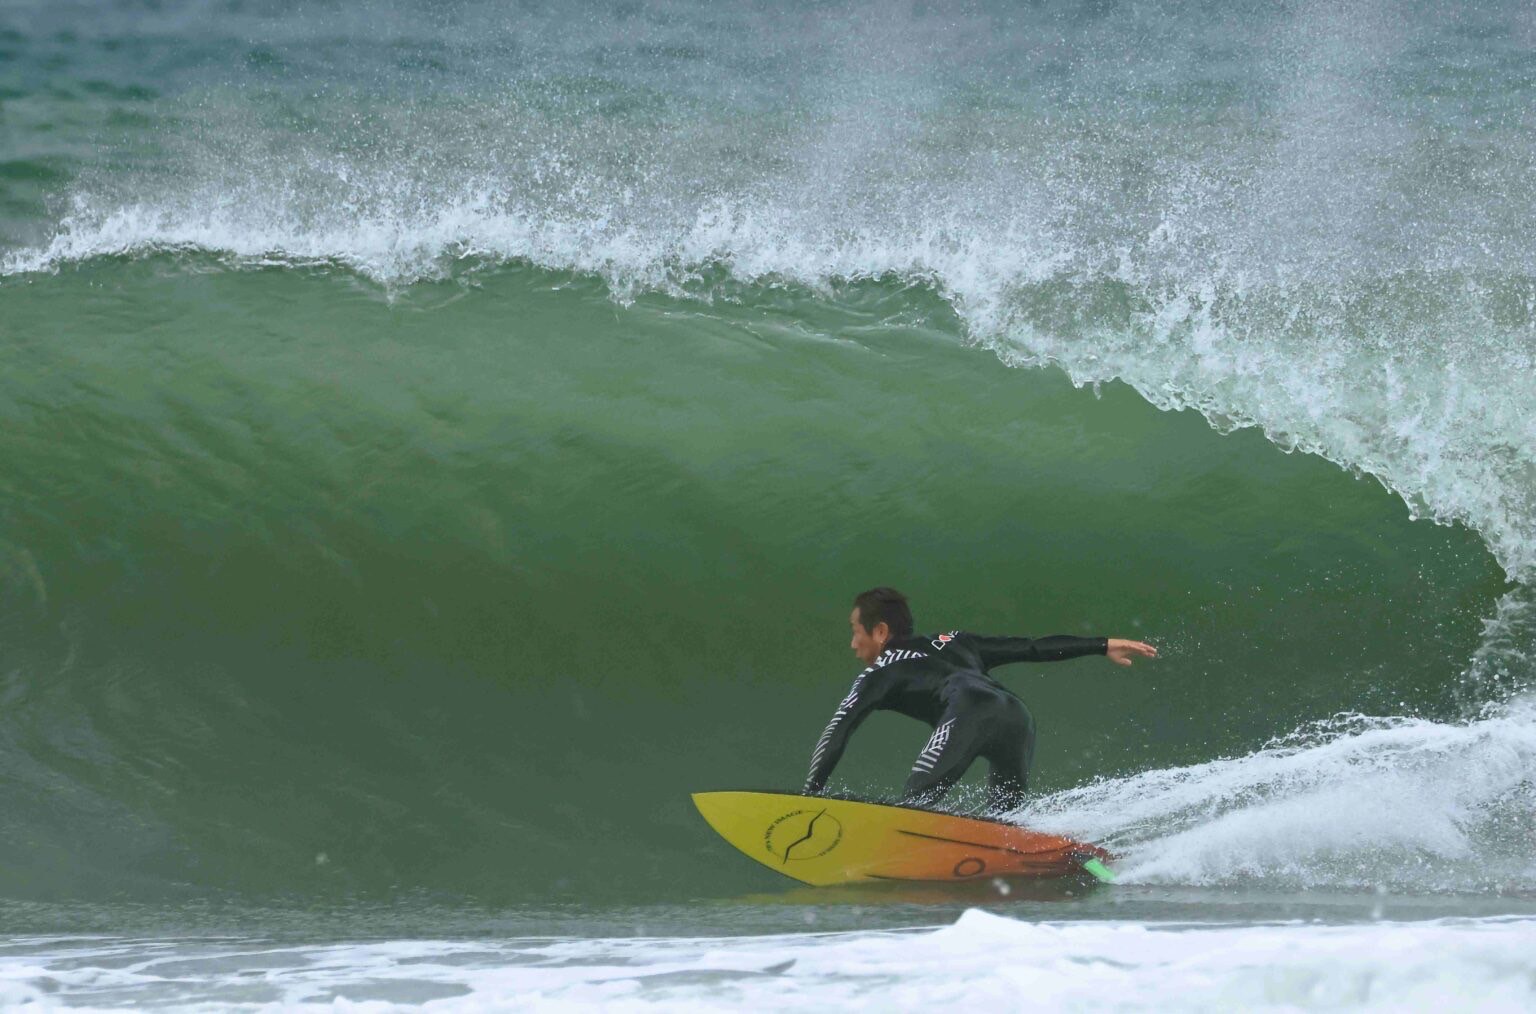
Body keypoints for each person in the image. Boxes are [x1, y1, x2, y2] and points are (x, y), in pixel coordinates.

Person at [804, 587, 1156, 810]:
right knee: (1005, 824)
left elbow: (838, 730)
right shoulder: (954, 640)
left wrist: (809, 794)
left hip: (969, 712)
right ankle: (1057, 858)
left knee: (913, 809)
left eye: (854, 631)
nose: (853, 644)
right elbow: (1030, 648)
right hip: (1018, 718)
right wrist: (1101, 644)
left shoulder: (878, 671)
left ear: (880, 631)